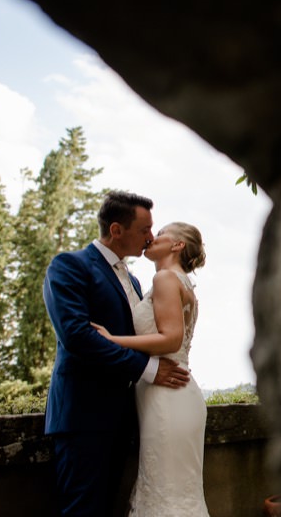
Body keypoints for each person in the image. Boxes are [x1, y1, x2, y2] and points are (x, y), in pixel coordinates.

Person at [43, 190, 190, 516]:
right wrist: (149, 370)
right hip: (83, 417)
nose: (151, 237)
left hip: (125, 417)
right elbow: (78, 338)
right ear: (116, 230)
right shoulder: (69, 266)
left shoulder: (136, 282)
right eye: (144, 229)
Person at [92, 221, 210, 516]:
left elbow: (171, 339)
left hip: (167, 396)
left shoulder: (166, 279)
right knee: (177, 493)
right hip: (176, 392)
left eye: (159, 234)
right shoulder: (182, 281)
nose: (151, 238)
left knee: (167, 495)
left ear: (177, 245)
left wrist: (112, 339)